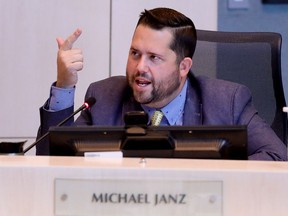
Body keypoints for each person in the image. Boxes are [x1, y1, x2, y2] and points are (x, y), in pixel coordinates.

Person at [37, 7, 287, 160]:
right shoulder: (103, 97)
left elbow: (277, 157)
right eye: (135, 53)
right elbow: (51, 161)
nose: (140, 67)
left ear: (183, 67)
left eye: (154, 58)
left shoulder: (228, 101)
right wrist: (64, 86)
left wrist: (215, 174)